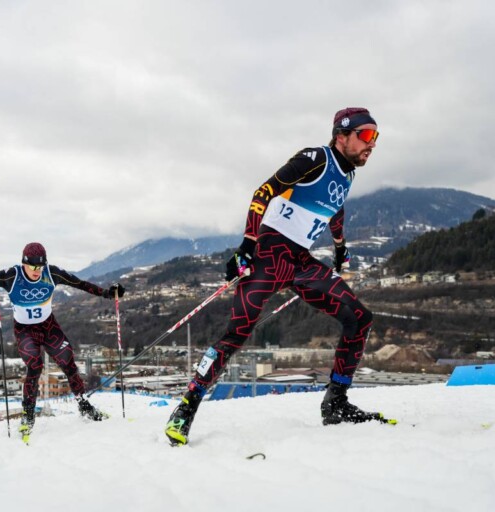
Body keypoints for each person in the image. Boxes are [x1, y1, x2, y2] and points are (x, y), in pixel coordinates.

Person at [165, 107, 385, 446]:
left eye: (376, 136)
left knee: (359, 318)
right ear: (341, 136)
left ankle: (335, 403)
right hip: (268, 255)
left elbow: (335, 206)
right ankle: (187, 406)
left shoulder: (348, 173)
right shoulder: (315, 158)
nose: (372, 143)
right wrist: (247, 244)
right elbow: (263, 192)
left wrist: (340, 246)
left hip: (299, 261)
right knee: (236, 334)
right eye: (366, 135)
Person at [0, 239, 125, 438]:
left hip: (48, 326)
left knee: (68, 361)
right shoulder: (12, 276)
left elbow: (79, 283)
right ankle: (28, 415)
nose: (37, 270)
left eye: (41, 266)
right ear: (24, 262)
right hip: (25, 330)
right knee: (35, 365)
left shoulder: (52, 273)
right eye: (33, 266)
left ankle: (84, 406)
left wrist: (107, 293)